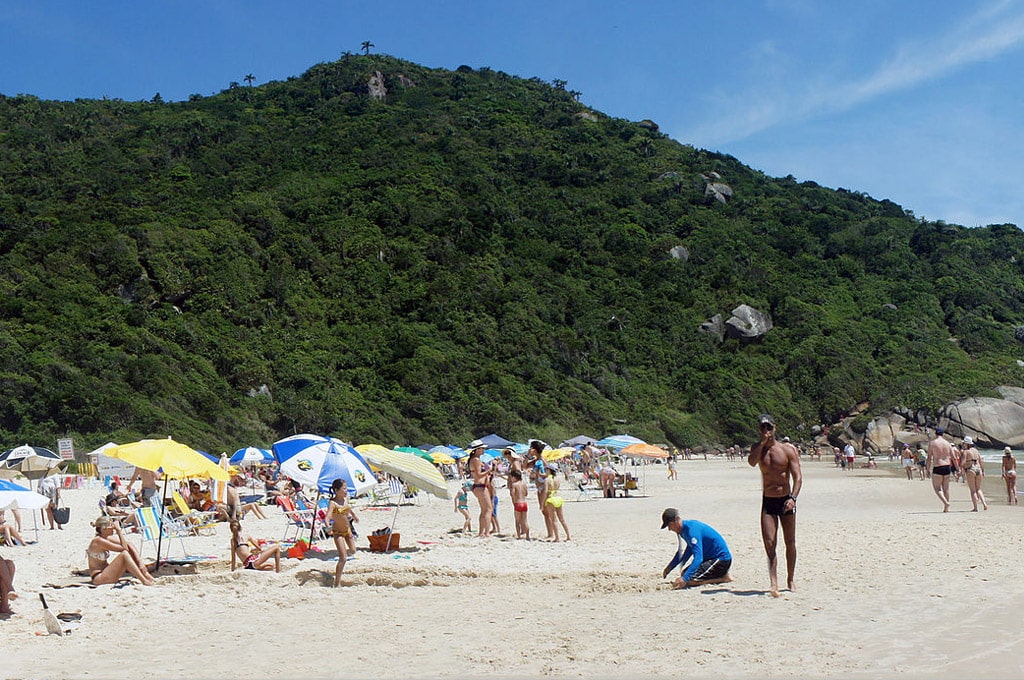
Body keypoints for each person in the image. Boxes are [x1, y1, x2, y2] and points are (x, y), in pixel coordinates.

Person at [748, 413, 802, 597]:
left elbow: (798, 477)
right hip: (768, 500)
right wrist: (762, 444)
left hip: (786, 499)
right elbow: (751, 462)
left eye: (769, 428)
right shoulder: (757, 449)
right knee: (770, 542)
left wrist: (793, 498)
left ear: (775, 428)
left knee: (790, 541)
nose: (766, 431)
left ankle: (791, 578)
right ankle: (774, 582)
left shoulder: (787, 450)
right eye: (763, 428)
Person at [660, 509, 732, 589]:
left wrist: (685, 579)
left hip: (721, 560)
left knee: (689, 580)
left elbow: (698, 558)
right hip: (709, 559)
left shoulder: (692, 531)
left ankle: (723, 578)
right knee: (684, 573)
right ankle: (719, 576)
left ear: (676, 520)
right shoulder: (684, 530)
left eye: (670, 525)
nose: (669, 529)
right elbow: (687, 551)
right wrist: (670, 567)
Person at [87, 516, 156, 586]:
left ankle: (145, 573)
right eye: (111, 526)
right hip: (99, 577)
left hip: (106, 571)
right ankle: (144, 581)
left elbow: (128, 544)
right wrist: (119, 531)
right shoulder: (98, 541)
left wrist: (140, 564)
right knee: (124, 555)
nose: (113, 528)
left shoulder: (105, 538)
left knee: (126, 553)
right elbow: (124, 548)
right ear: (104, 528)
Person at [926, 427, 955, 512]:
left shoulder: (933, 443)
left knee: (937, 488)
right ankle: (946, 508)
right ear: (943, 434)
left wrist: (927, 469)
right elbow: (953, 457)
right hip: (947, 466)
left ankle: (946, 503)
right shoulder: (947, 443)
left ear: (935, 434)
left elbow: (929, 458)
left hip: (938, 466)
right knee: (946, 488)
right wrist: (957, 468)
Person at [467, 441, 492, 538]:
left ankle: (482, 532)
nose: (484, 450)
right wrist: (488, 471)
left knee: (484, 510)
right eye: (482, 448)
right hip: (480, 486)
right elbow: (478, 475)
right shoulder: (476, 460)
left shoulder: (474, 459)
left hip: (477, 486)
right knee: (488, 509)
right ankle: (486, 532)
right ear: (477, 449)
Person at [960, 437, 988, 512]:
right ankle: (984, 504)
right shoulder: (976, 450)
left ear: (966, 444)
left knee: (973, 490)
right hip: (978, 469)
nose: (963, 444)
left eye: (964, 443)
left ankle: (975, 508)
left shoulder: (966, 452)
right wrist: (983, 470)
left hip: (970, 469)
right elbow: (981, 461)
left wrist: (960, 470)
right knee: (978, 488)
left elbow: (963, 463)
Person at [545, 469, 570, 541]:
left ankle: (557, 537)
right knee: (562, 519)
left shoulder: (547, 480)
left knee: (553, 519)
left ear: (549, 471)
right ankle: (568, 536)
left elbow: (546, 491)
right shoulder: (557, 479)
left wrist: (543, 501)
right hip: (558, 497)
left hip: (551, 499)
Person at [509, 470, 530, 540]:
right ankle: (527, 536)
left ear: (514, 477)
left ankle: (519, 536)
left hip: (518, 503)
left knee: (517, 521)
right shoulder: (524, 484)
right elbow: (526, 494)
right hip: (524, 503)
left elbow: (512, 494)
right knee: (525, 521)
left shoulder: (514, 485)